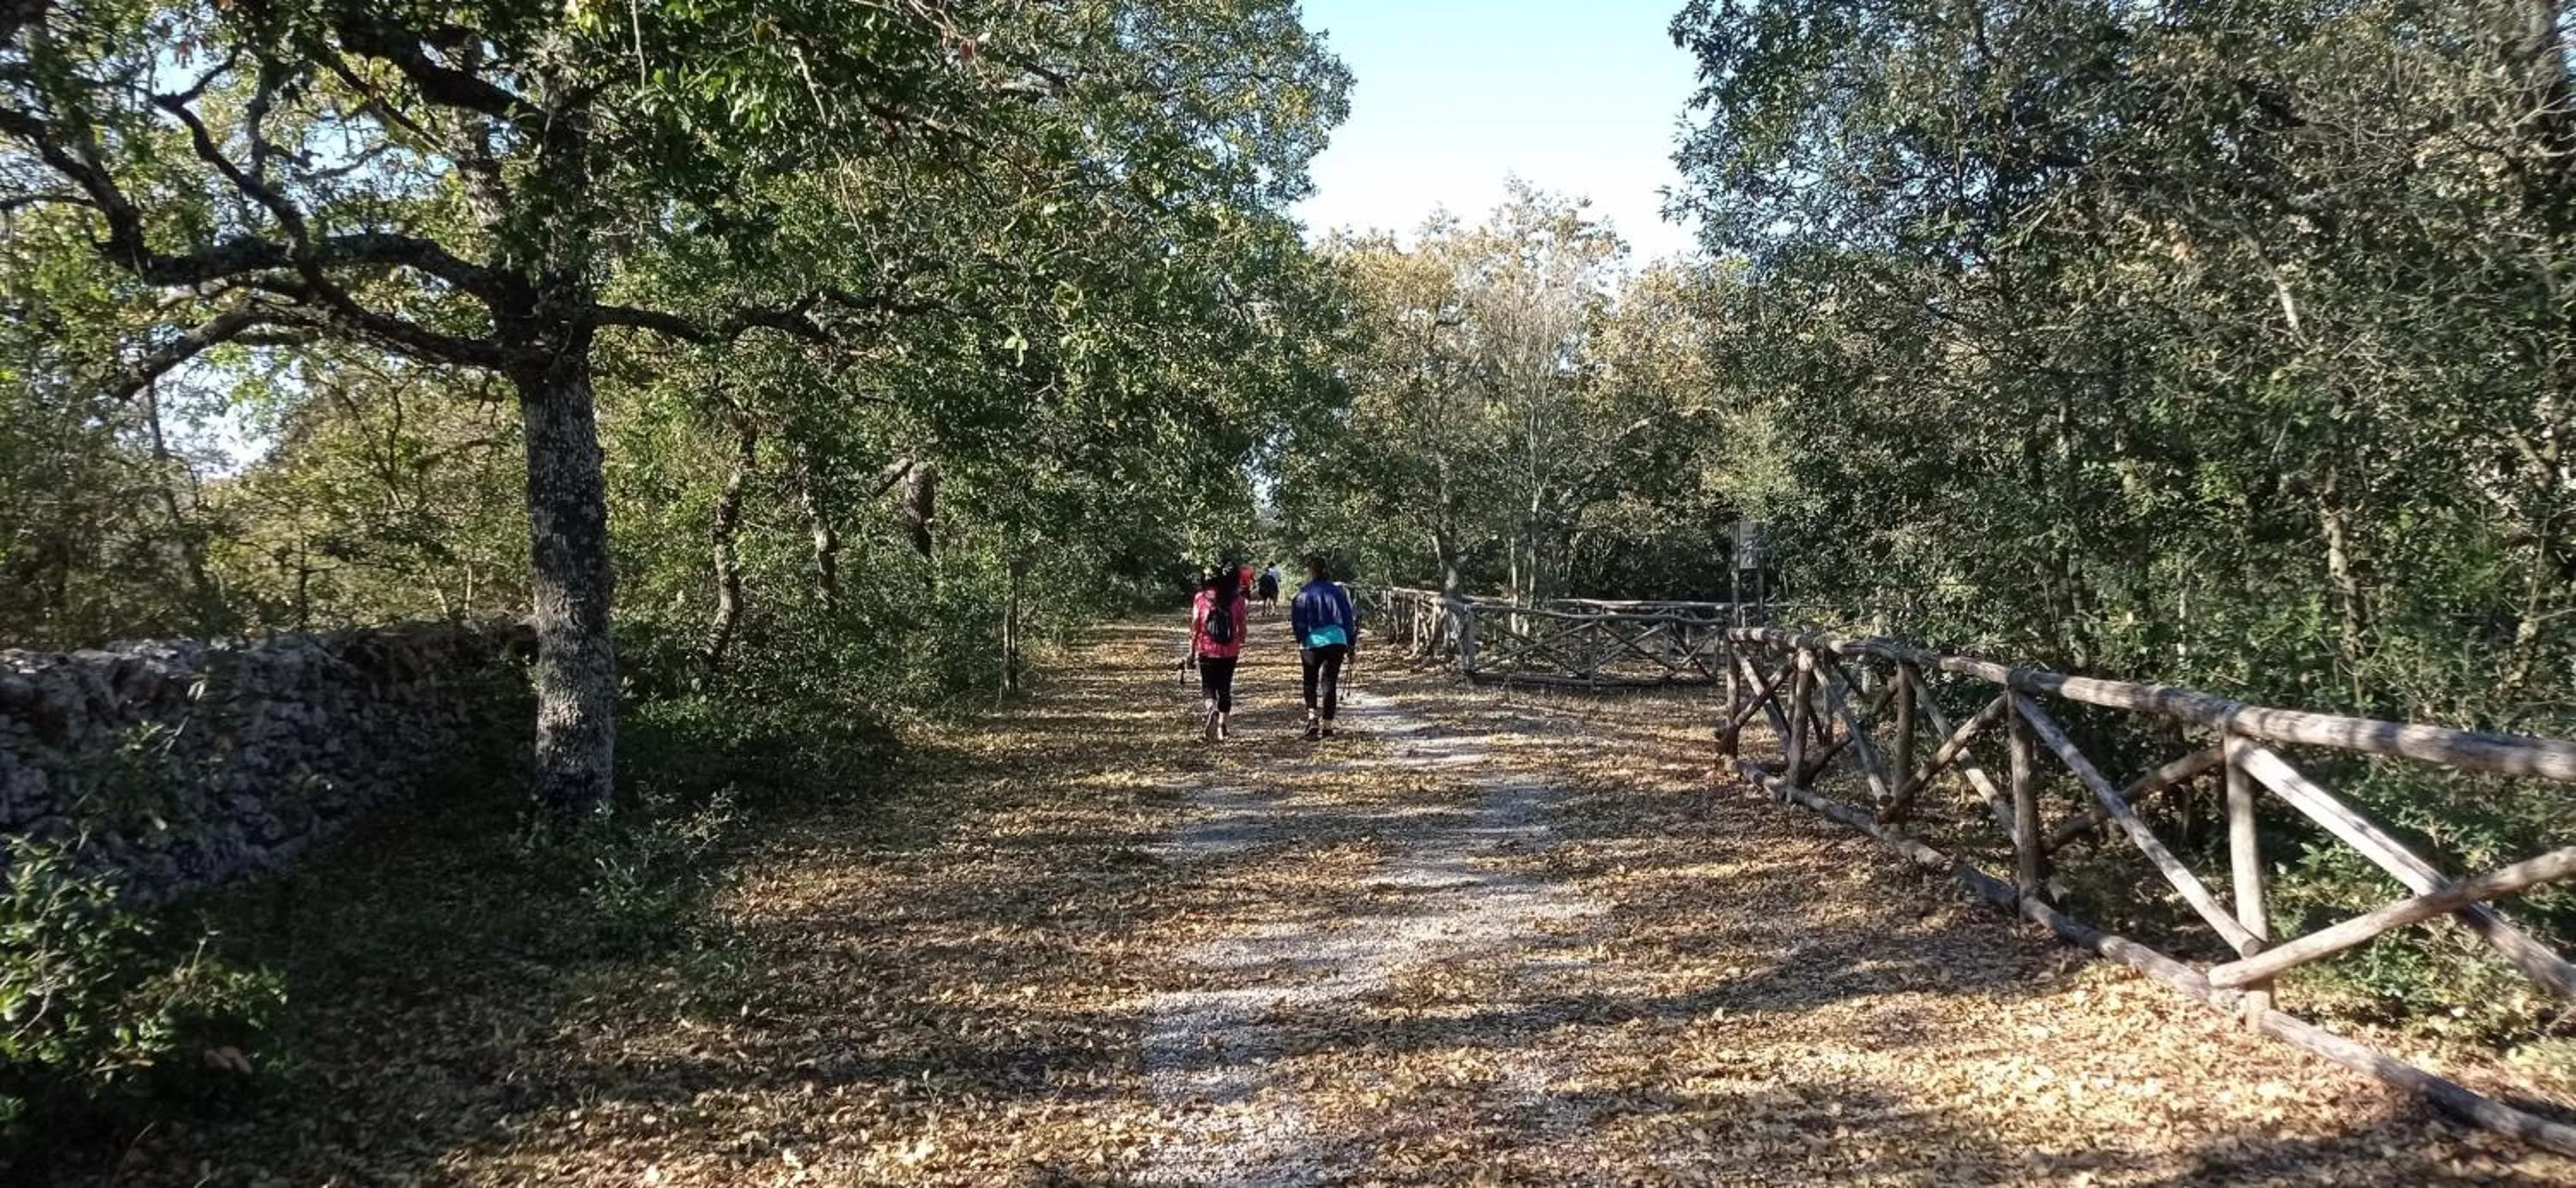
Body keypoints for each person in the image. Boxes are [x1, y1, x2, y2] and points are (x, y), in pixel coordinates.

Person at [1288, 555, 1357, 741]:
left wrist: (1300, 638)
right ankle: (1327, 727)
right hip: (1336, 639)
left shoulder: (1303, 593)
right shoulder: (1338, 592)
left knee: (1310, 681)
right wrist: (1351, 644)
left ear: (1311, 572)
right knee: (1329, 683)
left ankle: (1312, 720)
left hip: (1311, 640)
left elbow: (1297, 620)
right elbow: (1349, 619)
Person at [1189, 566, 1249, 742]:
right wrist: (1241, 638)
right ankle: (1222, 727)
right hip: (1230, 651)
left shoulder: (1201, 598)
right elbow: (1242, 626)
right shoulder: (1237, 600)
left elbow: (1195, 626)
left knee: (1208, 686)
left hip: (1206, 649)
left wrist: (1191, 653)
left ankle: (1211, 709)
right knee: (1225, 688)